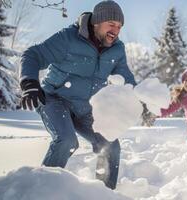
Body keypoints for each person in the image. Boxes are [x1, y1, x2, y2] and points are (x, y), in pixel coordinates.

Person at [19, 0, 138, 189]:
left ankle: (104, 193)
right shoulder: (68, 38)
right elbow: (33, 54)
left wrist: (143, 102)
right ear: (96, 22)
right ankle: (41, 191)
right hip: (55, 100)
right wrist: (29, 82)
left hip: (86, 108)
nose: (116, 30)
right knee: (66, 141)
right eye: (111, 24)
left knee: (111, 145)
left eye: (119, 26)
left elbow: (126, 78)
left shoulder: (117, 49)